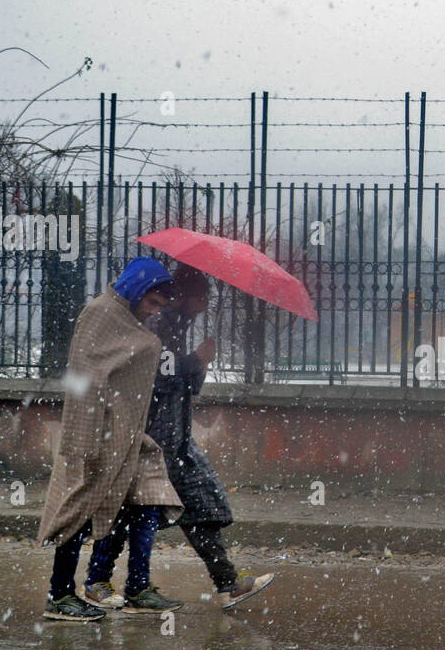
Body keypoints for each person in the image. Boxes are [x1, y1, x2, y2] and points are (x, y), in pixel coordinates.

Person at [81, 264, 275, 610]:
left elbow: (183, 384)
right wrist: (193, 361)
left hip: (178, 440)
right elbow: (151, 374)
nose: (205, 304)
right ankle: (98, 581)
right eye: (202, 296)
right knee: (130, 511)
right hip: (152, 439)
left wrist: (199, 366)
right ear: (186, 296)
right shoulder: (157, 323)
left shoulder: (177, 326)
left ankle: (228, 583)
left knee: (202, 506)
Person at [38, 257, 185, 621]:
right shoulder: (101, 315)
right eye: (151, 303)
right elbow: (83, 379)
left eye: (159, 307)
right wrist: (83, 442)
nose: (153, 312)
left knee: (148, 500)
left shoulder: (132, 326)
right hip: (96, 435)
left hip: (131, 437)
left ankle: (135, 585)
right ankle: (60, 595)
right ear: (136, 289)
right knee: (79, 510)